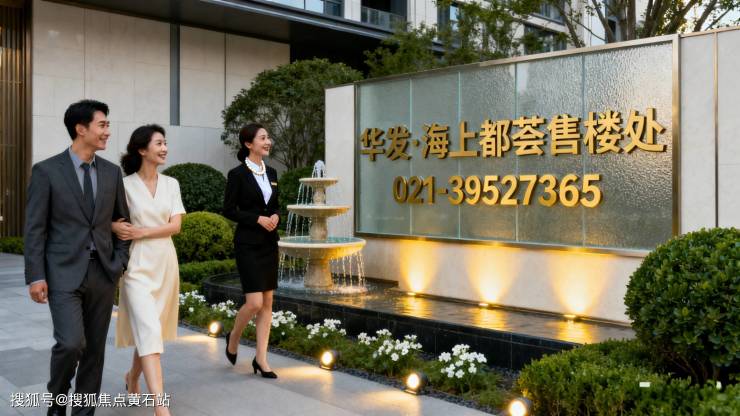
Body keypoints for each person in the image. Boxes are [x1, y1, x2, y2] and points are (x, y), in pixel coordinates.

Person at [24, 100, 131, 416]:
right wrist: (36, 275)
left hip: (103, 273)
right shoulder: (46, 171)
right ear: (80, 129)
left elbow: (122, 223)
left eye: (107, 125)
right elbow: (35, 228)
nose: (108, 131)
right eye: (102, 125)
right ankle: (57, 402)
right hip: (62, 273)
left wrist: (119, 262)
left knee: (95, 351)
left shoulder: (112, 172)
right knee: (71, 343)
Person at [113, 124, 184, 416]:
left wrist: (141, 232)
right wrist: (114, 227)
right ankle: (160, 406)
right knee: (150, 329)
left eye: (165, 143)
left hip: (165, 263)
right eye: (159, 143)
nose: (165, 148)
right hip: (136, 266)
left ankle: (133, 377)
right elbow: (107, 220)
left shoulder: (172, 184)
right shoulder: (124, 185)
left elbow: (175, 226)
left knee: (149, 332)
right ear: (142, 149)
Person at [222, 123, 280, 378]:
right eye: (263, 138)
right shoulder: (237, 174)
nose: (268, 142)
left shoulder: (272, 172)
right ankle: (234, 337)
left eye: (268, 137)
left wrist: (276, 216)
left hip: (269, 243)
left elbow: (275, 205)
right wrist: (257, 219)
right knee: (254, 302)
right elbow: (229, 210)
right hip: (247, 244)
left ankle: (261, 359)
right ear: (248, 144)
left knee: (267, 302)